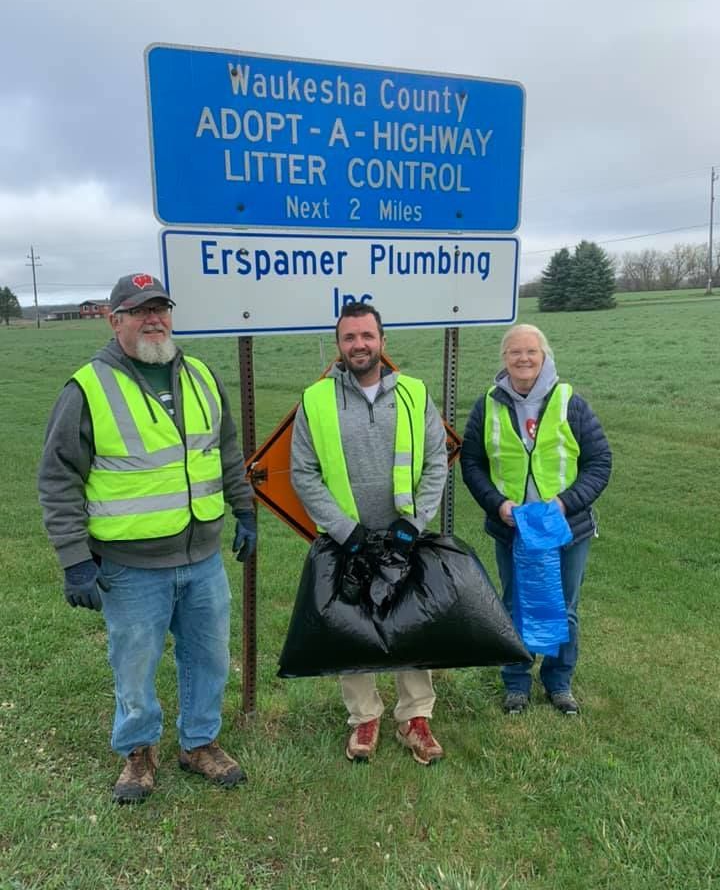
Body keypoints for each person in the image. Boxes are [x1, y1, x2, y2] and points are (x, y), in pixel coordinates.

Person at [38, 273, 257, 804]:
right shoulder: (86, 387)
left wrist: (244, 508)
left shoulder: (202, 376)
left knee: (207, 655)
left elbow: (225, 451)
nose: (153, 318)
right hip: (130, 565)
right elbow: (58, 477)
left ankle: (199, 742)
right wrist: (73, 559)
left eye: (160, 308)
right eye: (138, 311)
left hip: (202, 555)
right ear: (115, 321)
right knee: (134, 663)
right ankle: (138, 751)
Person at [290, 302, 448, 764]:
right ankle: (364, 719)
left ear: (382, 340)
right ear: (338, 345)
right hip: (348, 540)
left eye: (367, 336)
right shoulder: (315, 399)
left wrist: (413, 523)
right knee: (353, 627)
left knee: (411, 623)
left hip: (405, 537)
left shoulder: (416, 395)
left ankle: (415, 718)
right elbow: (304, 472)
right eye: (349, 338)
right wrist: (344, 530)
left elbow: (437, 461)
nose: (359, 345)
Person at [460, 323, 611, 716]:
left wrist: (565, 503)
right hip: (512, 529)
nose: (523, 359)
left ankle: (559, 683)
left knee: (566, 607)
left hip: (566, 529)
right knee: (514, 606)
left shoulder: (570, 402)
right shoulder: (487, 404)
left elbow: (599, 463)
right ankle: (516, 684)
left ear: (544, 356)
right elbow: (472, 462)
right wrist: (497, 505)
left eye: (531, 352)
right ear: (504, 359)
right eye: (515, 352)